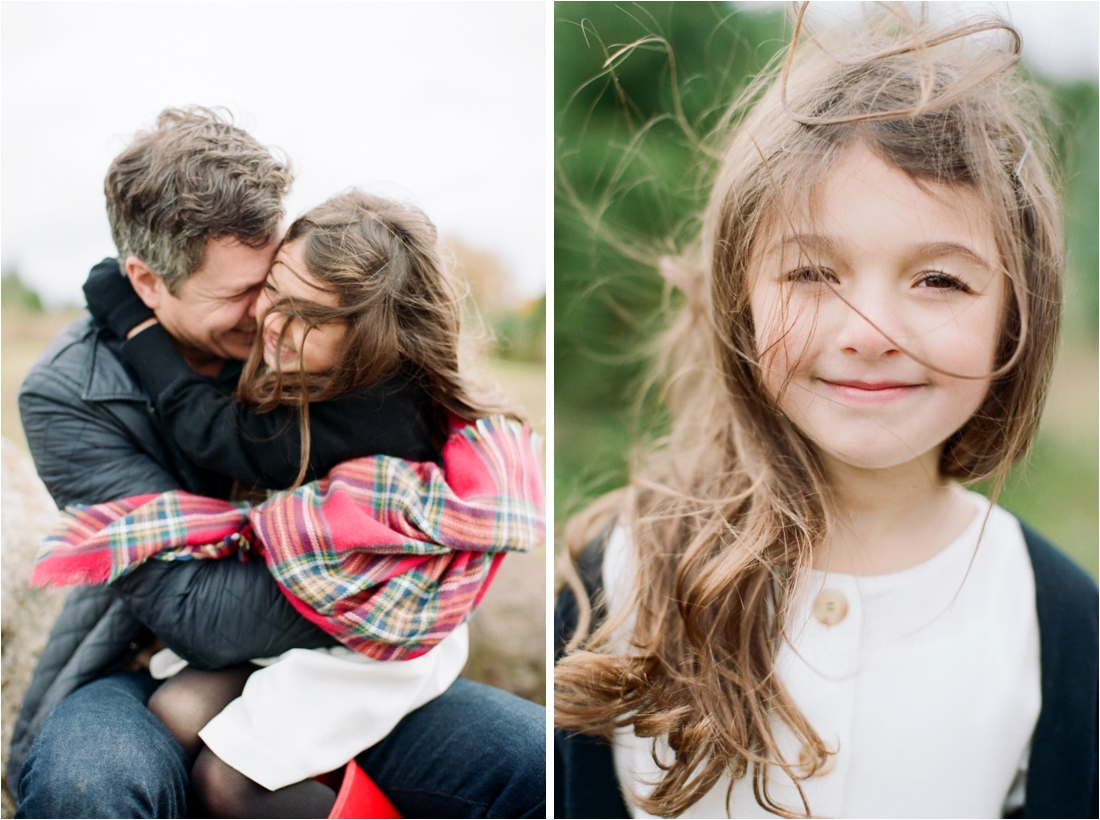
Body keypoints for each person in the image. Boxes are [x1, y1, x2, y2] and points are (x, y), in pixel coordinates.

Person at [554, 7, 1097, 820]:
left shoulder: (1062, 623)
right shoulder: (614, 579)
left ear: (1017, 314)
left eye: (940, 280)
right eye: (812, 272)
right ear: (741, 300)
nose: (868, 334)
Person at [11, 106, 545, 819]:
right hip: (150, 652)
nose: (267, 317)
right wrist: (390, 588)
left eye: (274, 283)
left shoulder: (337, 350)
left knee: (538, 761)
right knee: (90, 781)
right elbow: (197, 616)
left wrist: (410, 588)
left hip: (363, 646)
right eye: (242, 296)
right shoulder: (66, 393)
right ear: (145, 281)